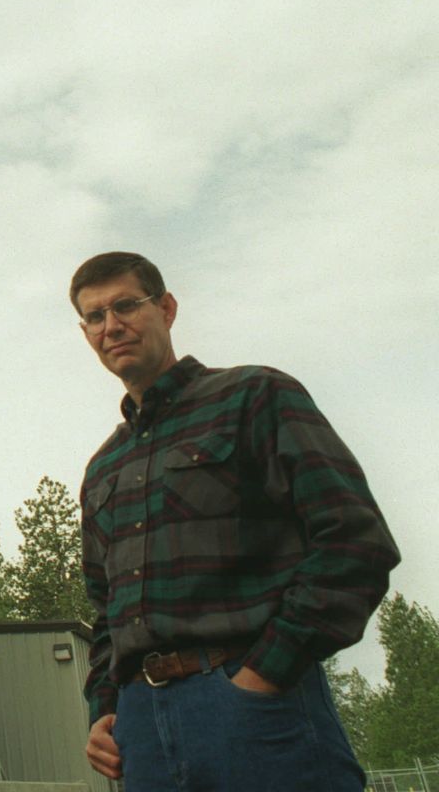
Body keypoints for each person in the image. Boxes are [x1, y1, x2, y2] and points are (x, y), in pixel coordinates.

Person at [70, 251, 400, 791]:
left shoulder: (255, 397)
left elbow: (354, 543)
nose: (112, 326)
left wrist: (262, 675)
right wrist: (105, 708)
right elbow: (106, 612)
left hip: (256, 708)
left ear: (168, 308)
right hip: (141, 732)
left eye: (126, 306)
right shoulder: (104, 465)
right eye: (95, 316)